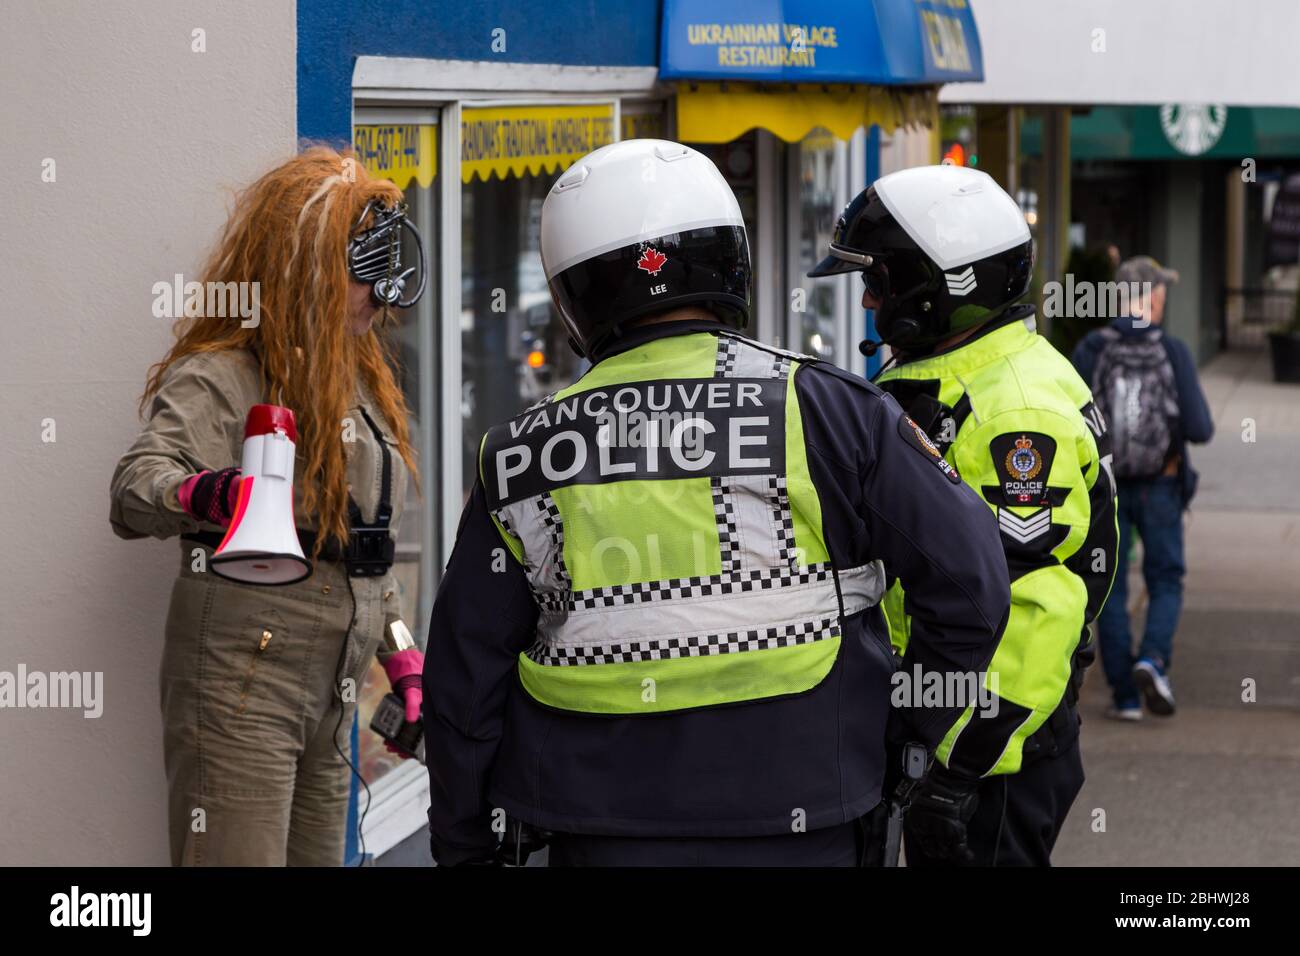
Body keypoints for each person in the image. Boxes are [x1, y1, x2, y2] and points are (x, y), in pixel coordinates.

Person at [422, 139, 1013, 867]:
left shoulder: (516, 454)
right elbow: (972, 587)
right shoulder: (828, 410)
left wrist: (462, 843)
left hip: (598, 827)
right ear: (731, 263)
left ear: (575, 296)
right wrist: (906, 734)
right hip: (810, 811)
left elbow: (461, 683)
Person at [109, 147, 428, 866]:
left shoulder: (356, 382)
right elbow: (134, 488)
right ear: (305, 270)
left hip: (332, 692)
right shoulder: (226, 374)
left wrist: (402, 654)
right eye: (364, 273)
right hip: (244, 682)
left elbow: (361, 549)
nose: (380, 297)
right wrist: (209, 493)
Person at [809, 164, 1119, 866]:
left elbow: (1030, 610)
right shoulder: (953, 373)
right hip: (944, 729)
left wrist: (955, 769)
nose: (866, 297)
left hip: (986, 757)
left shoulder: (1013, 409)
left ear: (940, 288)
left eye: (879, 280)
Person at [1071, 256, 1214, 720]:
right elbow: (1200, 427)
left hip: (1104, 489)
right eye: (1162, 292)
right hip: (1161, 486)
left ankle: (1125, 695)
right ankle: (1153, 661)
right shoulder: (1172, 351)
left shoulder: (1091, 349)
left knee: (1109, 587)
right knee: (1165, 578)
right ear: (1151, 298)